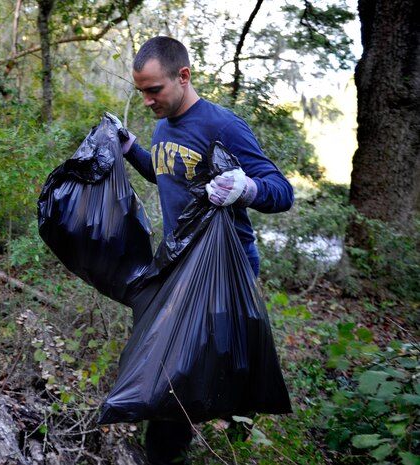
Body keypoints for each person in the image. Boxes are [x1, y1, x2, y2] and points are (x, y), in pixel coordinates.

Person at [106, 36, 294, 465]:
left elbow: (282, 192)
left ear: (183, 76)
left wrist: (246, 188)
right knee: (182, 374)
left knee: (213, 373)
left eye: (154, 90)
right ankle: (176, 450)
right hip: (180, 272)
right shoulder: (164, 123)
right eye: (141, 92)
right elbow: (164, 172)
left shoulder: (221, 125)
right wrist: (132, 148)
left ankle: (226, 441)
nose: (148, 99)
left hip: (226, 276)